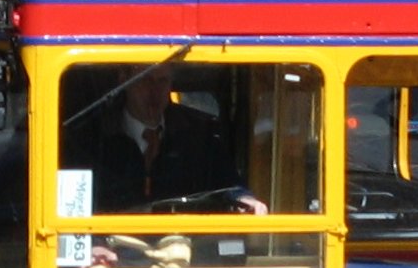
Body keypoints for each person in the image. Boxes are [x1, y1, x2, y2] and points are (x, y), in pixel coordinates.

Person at [67, 63, 268, 217]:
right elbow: (72, 203)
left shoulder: (198, 135)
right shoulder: (91, 139)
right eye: (145, 80)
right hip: (115, 253)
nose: (154, 91)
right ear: (123, 80)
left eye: (162, 81)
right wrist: (94, 245)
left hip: (183, 249)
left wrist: (244, 198)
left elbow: (228, 182)